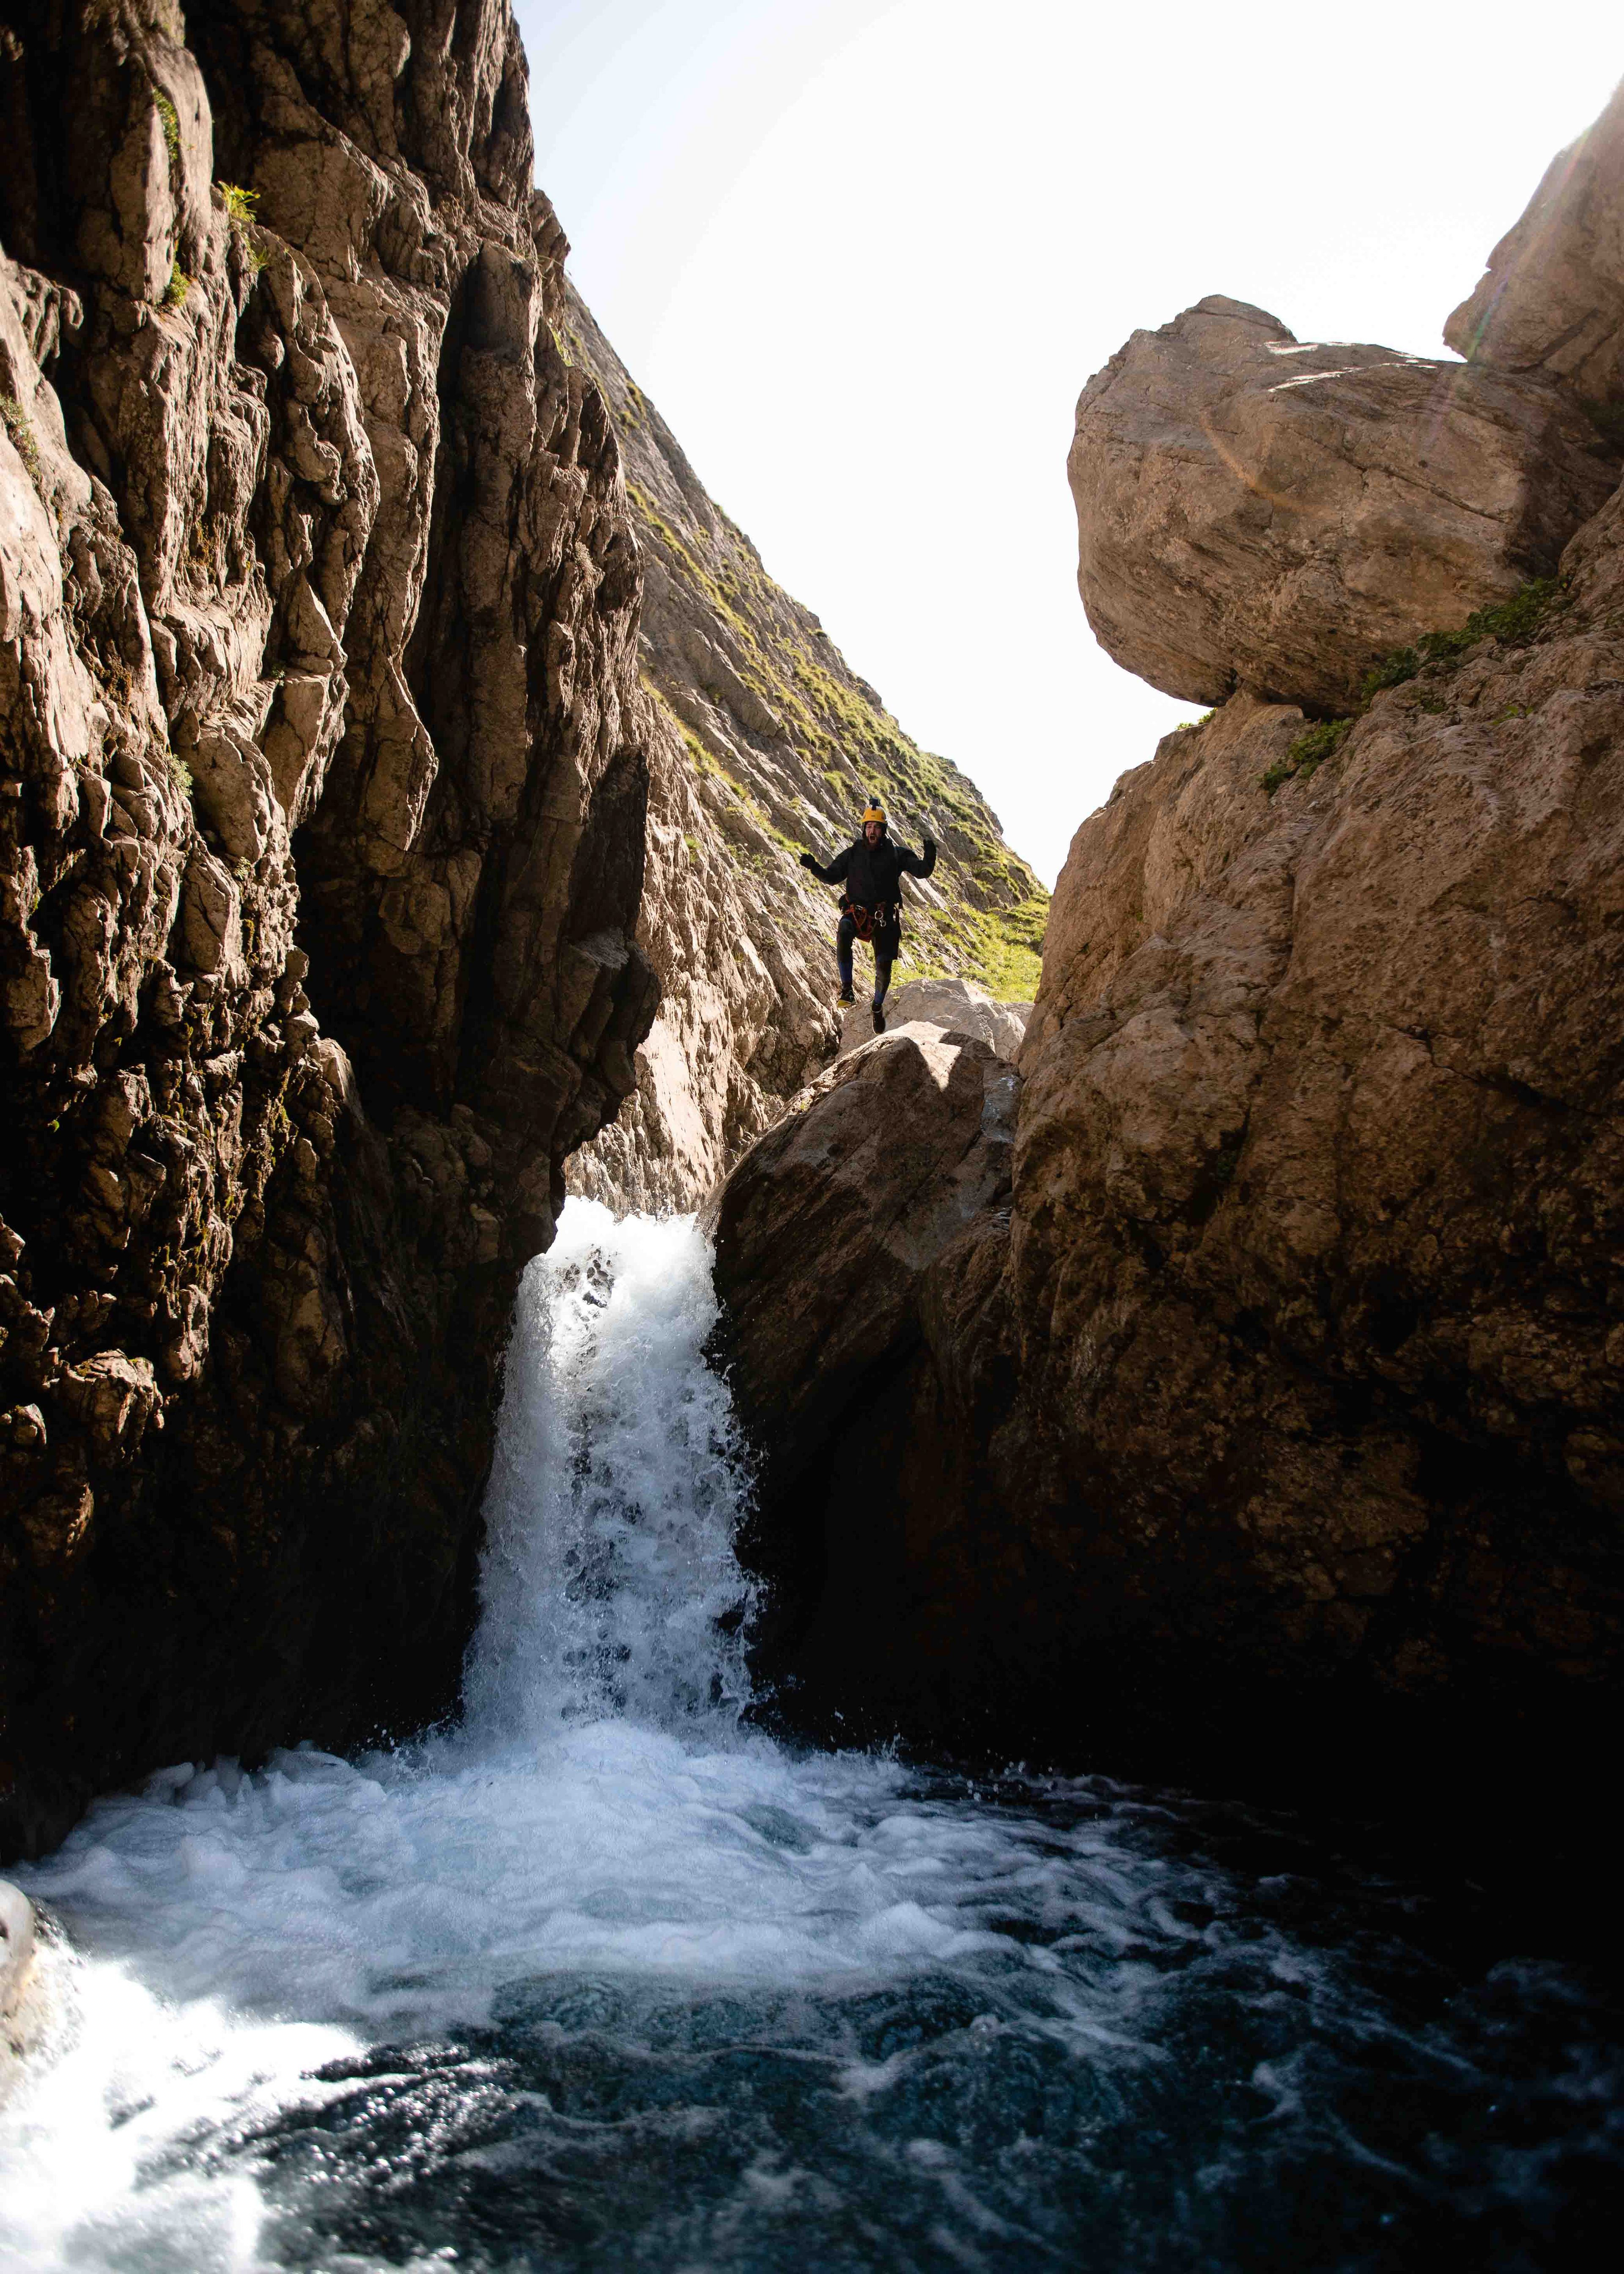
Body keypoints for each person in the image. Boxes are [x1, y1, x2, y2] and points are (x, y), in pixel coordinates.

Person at [799, 799, 937, 1032]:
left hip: (884, 918)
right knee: (844, 929)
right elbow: (832, 877)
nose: (872, 831)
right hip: (858, 912)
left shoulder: (897, 854)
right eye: (868, 827)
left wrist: (930, 853)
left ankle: (877, 1006)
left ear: (884, 831)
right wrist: (814, 867)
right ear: (864, 829)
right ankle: (847, 990)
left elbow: (923, 871)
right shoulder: (854, 853)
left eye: (876, 827)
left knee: (884, 969)